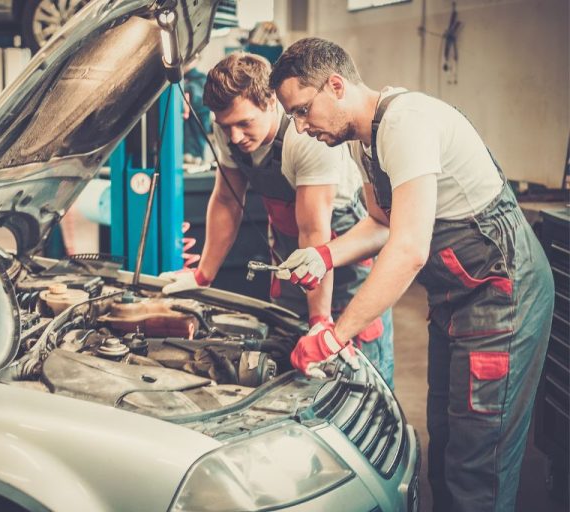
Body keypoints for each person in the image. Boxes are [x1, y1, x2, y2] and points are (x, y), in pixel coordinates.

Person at [269, 37, 554, 512]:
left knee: (477, 463)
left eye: (301, 111)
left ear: (335, 86)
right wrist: (324, 254)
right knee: (443, 442)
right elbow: (382, 223)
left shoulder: (407, 122)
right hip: (458, 300)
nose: (299, 128)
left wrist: (336, 334)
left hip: (503, 298)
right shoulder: (365, 141)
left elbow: (408, 250)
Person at [160, 52, 395, 388]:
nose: (236, 137)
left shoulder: (306, 139)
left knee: (356, 369)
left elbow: (315, 233)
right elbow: (227, 200)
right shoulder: (228, 127)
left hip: (338, 252)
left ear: (270, 101)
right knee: (286, 351)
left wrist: (320, 320)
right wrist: (203, 275)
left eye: (245, 123)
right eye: (227, 127)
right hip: (289, 251)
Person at [182, 59, 211, 164]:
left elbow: (196, 96)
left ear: (197, 58)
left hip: (193, 153)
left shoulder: (202, 82)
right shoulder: (181, 81)